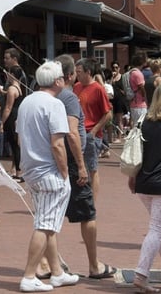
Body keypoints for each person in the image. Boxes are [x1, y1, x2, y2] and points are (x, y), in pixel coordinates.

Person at [16, 61, 80, 292]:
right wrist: (64, 172)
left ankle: (57, 272)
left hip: (31, 169)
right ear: (57, 81)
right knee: (44, 224)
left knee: (48, 221)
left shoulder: (26, 102)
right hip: (48, 170)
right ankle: (29, 275)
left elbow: (20, 137)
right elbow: (58, 143)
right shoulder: (54, 104)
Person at [53, 54, 112, 280]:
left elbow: (106, 112)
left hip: (63, 154)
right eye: (75, 72)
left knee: (50, 215)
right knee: (85, 213)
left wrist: (95, 130)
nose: (78, 75)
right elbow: (71, 131)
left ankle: (50, 262)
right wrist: (79, 164)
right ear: (69, 75)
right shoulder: (69, 95)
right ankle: (93, 265)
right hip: (70, 156)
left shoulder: (44, 97)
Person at [127, 82, 161, 293]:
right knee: (158, 229)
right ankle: (141, 274)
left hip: (144, 181)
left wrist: (132, 177)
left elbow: (137, 153)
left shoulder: (143, 122)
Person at [73, 58, 111, 196]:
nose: (77, 75)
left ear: (88, 72)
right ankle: (81, 197)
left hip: (90, 134)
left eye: (79, 72)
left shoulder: (98, 89)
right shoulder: (76, 87)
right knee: (78, 167)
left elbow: (108, 114)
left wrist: (94, 131)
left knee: (92, 169)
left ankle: (93, 202)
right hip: (77, 133)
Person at [0, 65, 27, 180]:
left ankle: (19, 171)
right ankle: (18, 170)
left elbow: (8, 108)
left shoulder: (12, 89)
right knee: (16, 144)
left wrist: (2, 122)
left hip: (12, 118)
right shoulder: (19, 88)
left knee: (14, 144)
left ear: (13, 75)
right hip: (18, 116)